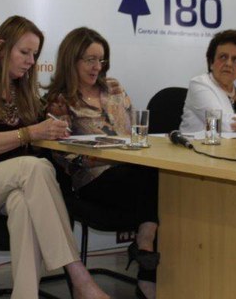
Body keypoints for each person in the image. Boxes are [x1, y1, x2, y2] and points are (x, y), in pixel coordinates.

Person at [0, 16, 109, 299]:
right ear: (1, 48)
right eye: (24, 52)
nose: (31, 61)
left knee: (22, 203)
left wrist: (51, 132)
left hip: (8, 186)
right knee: (32, 168)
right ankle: (78, 276)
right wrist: (29, 133)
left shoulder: (21, 89)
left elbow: (32, 145)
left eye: (34, 54)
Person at [45, 27, 159, 299]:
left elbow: (135, 134)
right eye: (90, 60)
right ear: (71, 60)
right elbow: (63, 157)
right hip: (93, 181)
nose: (97, 67)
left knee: (164, 177)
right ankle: (145, 246)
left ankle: (146, 258)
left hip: (132, 175)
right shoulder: (59, 102)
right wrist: (103, 156)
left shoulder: (115, 90)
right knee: (147, 175)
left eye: (101, 60)